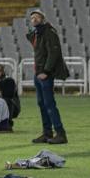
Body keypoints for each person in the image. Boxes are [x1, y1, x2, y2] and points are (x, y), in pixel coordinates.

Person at [26, 9, 68, 144]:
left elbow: (53, 53)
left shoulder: (49, 32)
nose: (34, 19)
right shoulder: (37, 33)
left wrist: (46, 71)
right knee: (42, 104)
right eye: (32, 18)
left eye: (37, 17)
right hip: (38, 73)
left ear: (43, 19)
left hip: (45, 74)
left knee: (49, 104)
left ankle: (60, 133)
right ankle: (47, 133)